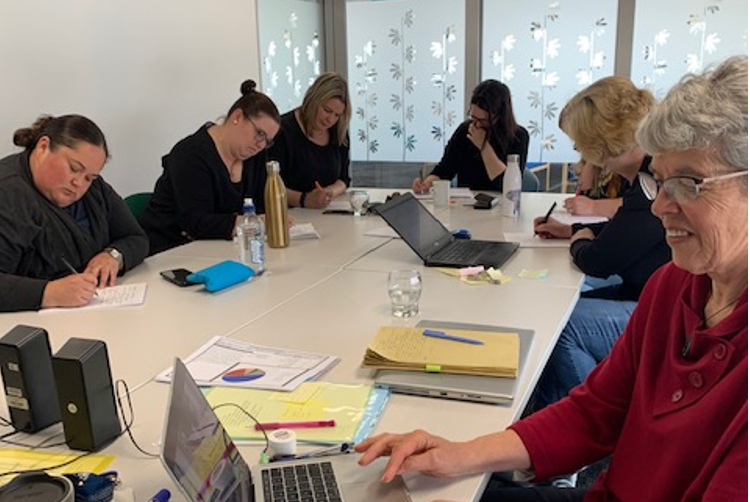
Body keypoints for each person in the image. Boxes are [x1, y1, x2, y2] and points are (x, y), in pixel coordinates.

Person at [356, 56, 748, 502]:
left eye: (690, 183)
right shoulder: (670, 287)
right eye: (660, 183)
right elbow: (594, 414)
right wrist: (459, 453)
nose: (659, 207)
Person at [531, 76, 672, 407]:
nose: (580, 153)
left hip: (662, 313)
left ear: (602, 142)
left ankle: (600, 435)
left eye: (581, 145)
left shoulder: (654, 184)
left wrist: (579, 236)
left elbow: (598, 260)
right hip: (647, 296)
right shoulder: (646, 175)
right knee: (557, 308)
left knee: (560, 326)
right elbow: (617, 234)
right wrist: (577, 232)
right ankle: (549, 421)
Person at [0, 115, 149, 312]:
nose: (79, 183)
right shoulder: (8, 192)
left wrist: (113, 256)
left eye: (89, 177)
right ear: (43, 147)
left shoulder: (95, 190)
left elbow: (136, 238)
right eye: (73, 169)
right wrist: (48, 293)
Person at [138, 79, 281, 254]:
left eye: (267, 141)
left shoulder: (254, 156)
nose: (260, 145)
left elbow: (260, 208)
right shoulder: (191, 154)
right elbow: (197, 223)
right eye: (259, 134)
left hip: (221, 250)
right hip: (169, 252)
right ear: (237, 117)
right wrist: (251, 222)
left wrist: (263, 220)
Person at [412, 79, 529, 193]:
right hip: (466, 206)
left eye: (483, 120)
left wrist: (483, 147)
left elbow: (507, 186)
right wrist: (426, 184)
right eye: (473, 117)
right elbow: (444, 170)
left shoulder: (518, 136)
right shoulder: (465, 130)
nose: (476, 124)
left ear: (498, 116)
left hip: (504, 206)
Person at [268, 72, 351, 209]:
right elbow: (269, 185)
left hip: (325, 211)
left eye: (337, 115)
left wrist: (329, 192)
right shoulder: (282, 131)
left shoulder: (339, 130)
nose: (330, 120)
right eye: (327, 110)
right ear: (313, 100)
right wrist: (304, 200)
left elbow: (344, 179)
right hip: (289, 214)